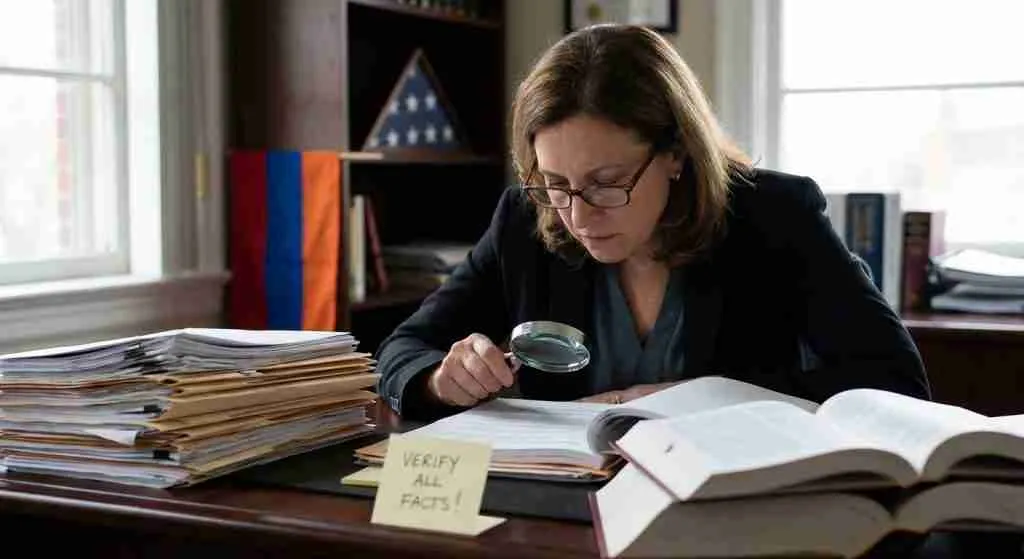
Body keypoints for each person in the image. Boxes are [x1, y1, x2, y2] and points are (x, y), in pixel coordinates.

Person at [375, 24, 929, 420]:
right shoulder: (526, 218)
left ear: (676, 153)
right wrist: (440, 380)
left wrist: (689, 399)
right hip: (557, 509)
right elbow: (403, 350)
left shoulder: (775, 216)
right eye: (556, 182)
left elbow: (894, 380)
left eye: (607, 181)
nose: (577, 214)